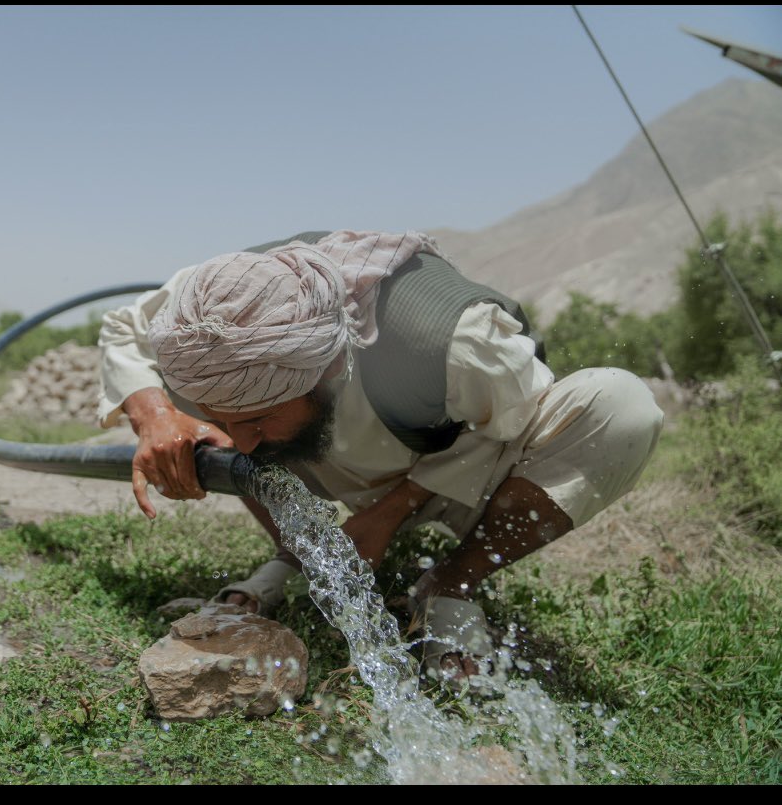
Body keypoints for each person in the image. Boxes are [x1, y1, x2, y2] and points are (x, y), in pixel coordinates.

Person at [97, 230, 663, 681]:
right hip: (327, 469)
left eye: (258, 418)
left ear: (326, 368)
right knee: (209, 414)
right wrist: (156, 415)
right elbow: (125, 327)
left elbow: (511, 417)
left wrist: (391, 511)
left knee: (620, 405)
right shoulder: (218, 301)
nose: (240, 444)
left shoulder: (455, 337)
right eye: (227, 422)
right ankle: (296, 558)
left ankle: (449, 585)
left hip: (460, 471)